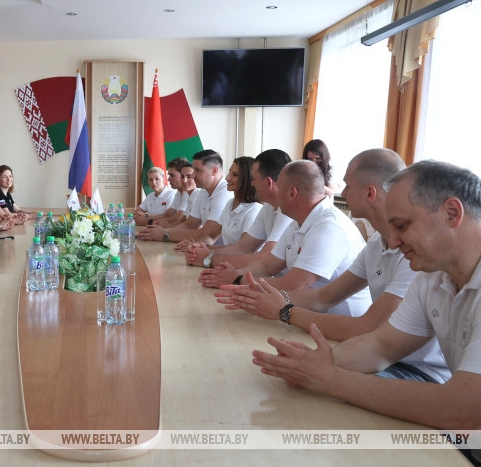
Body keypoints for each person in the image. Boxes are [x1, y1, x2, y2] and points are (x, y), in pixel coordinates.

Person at [251, 160, 481, 437]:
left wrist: (330, 377)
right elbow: (382, 346)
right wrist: (310, 363)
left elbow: (462, 410)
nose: (393, 242)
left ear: (452, 213)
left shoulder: (424, 268)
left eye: (403, 226)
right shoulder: (432, 276)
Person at [217, 149, 449, 383]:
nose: (341, 192)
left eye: (347, 185)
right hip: (371, 351)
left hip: (415, 369)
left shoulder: (416, 252)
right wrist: (268, 298)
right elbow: (324, 298)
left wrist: (283, 309)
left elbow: (368, 328)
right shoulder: (378, 243)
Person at [199, 160, 370, 317]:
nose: (273, 191)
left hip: (336, 323)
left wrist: (238, 280)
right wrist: (235, 275)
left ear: (291, 193)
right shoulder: (298, 221)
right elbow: (267, 265)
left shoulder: (329, 227)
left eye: (278, 187)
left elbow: (294, 284)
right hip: (304, 314)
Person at [183, 149, 293, 269]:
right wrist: (201, 250)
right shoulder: (267, 207)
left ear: (268, 183)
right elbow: (243, 246)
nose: (252, 184)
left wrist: (209, 258)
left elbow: (265, 256)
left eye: (254, 179)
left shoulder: (284, 211)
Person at [138, 150, 232, 244]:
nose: (193, 175)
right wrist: (159, 232)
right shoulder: (204, 191)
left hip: (221, 253)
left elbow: (206, 232)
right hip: (203, 247)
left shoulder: (225, 192)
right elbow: (189, 225)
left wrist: (166, 234)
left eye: (198, 170)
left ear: (214, 171)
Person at [153, 158, 202, 228]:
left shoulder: (197, 195)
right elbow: (183, 221)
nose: (184, 180)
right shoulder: (187, 193)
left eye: (189, 176)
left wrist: (167, 229)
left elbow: (189, 226)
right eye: (182, 177)